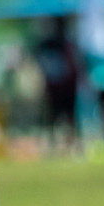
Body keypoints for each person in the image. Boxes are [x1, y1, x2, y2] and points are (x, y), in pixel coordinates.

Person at [34, 16, 81, 152]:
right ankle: (52, 144)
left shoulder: (66, 43)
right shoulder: (48, 44)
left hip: (66, 86)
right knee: (53, 117)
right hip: (54, 86)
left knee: (68, 117)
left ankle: (69, 144)